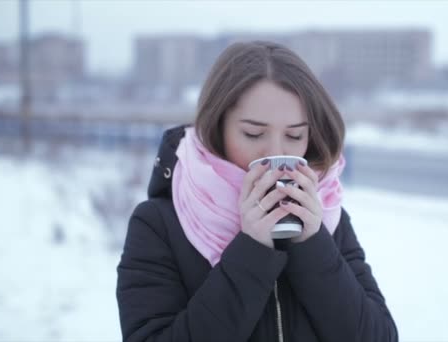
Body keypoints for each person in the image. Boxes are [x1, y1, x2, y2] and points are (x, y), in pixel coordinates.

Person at [116, 40, 398, 342]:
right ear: (217, 128)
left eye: (294, 135)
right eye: (253, 133)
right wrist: (252, 251)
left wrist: (312, 244)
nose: (276, 152)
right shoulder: (159, 225)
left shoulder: (328, 219)